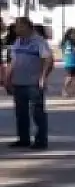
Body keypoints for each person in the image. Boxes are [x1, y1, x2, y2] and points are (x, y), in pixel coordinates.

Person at [5, 17, 53, 149]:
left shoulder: (39, 42)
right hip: (18, 82)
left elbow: (48, 60)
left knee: (37, 112)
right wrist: (7, 79)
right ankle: (23, 138)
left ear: (27, 27)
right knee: (21, 113)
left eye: (18, 26)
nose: (16, 29)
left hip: (33, 83)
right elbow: (13, 62)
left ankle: (40, 140)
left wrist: (43, 77)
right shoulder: (18, 42)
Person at [60, 28, 75, 98]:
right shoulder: (67, 42)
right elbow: (70, 53)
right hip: (70, 63)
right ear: (69, 35)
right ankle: (65, 90)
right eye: (73, 33)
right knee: (70, 78)